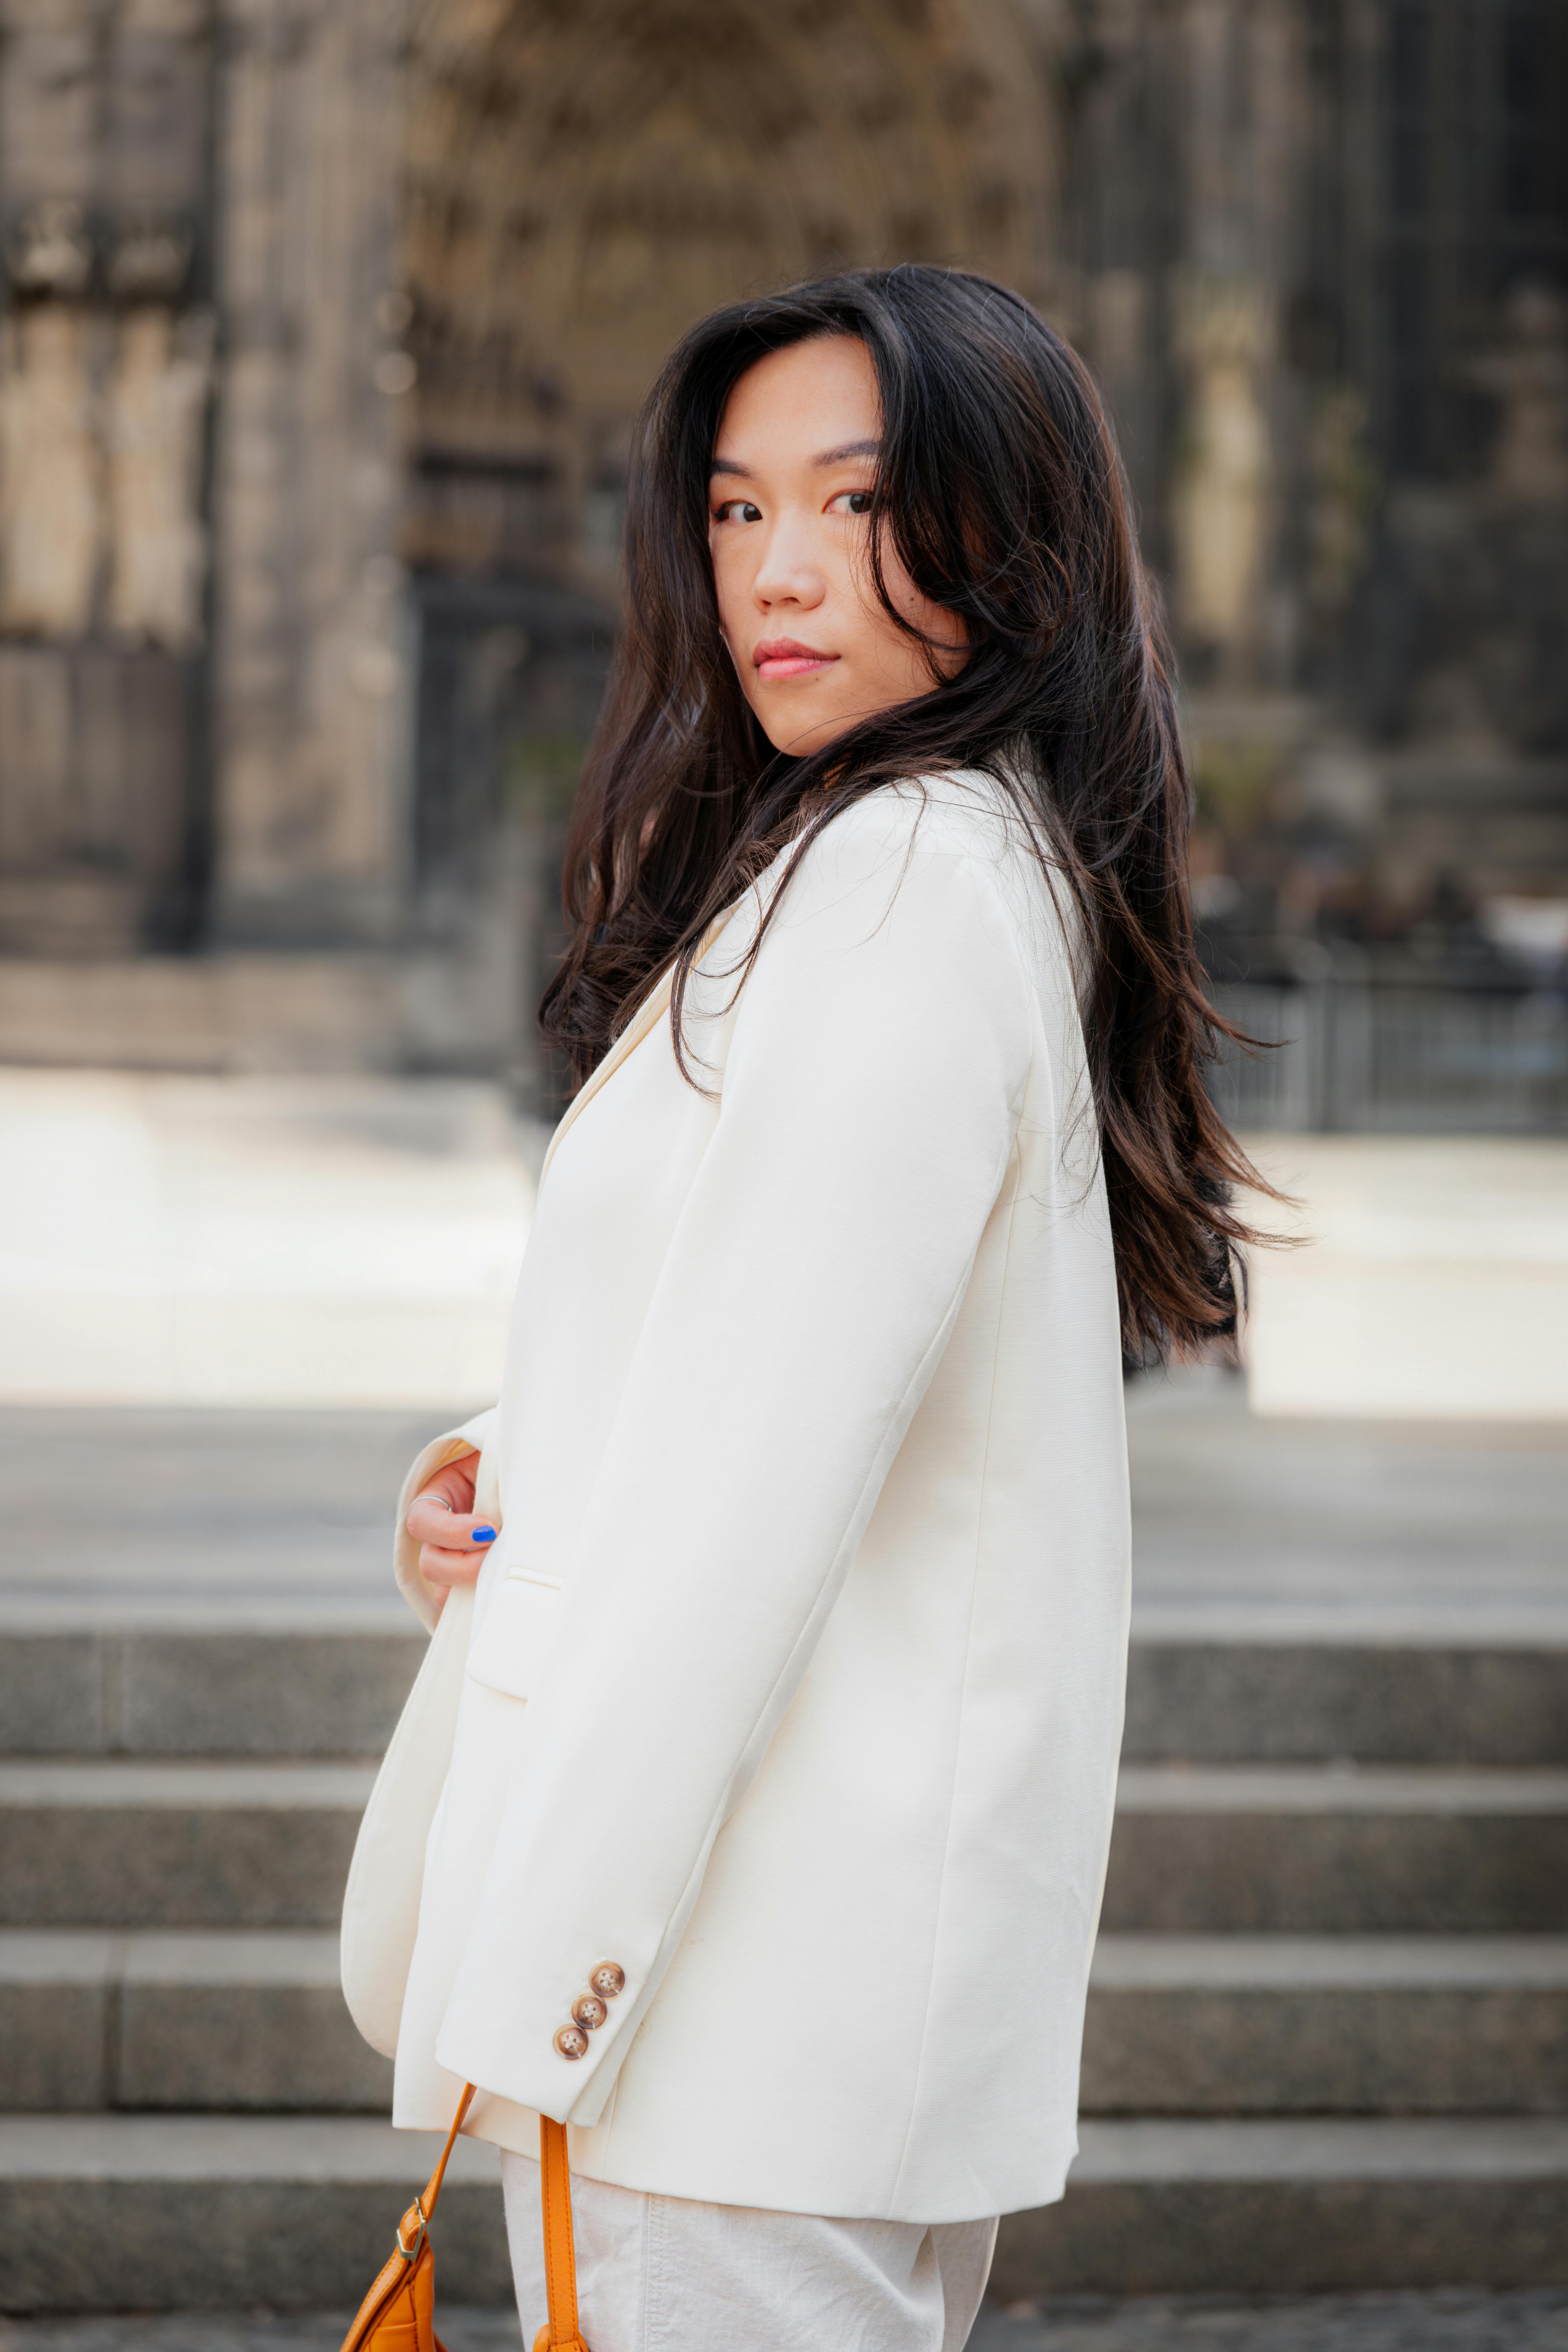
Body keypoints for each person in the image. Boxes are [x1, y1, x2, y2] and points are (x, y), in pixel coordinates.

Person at [341, 267, 1265, 2352]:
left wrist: (554, 1995)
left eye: (855, 503)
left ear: (1001, 538)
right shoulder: (932, 856)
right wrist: (507, 1497)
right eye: (741, 508)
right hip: (819, 2018)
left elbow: (743, 1512)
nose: (780, 567)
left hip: (714, 2032)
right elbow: (797, 1405)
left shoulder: (900, 884)